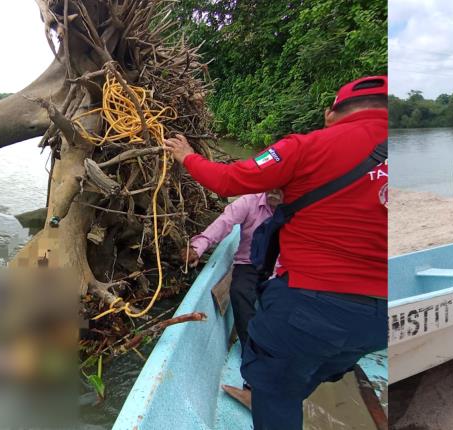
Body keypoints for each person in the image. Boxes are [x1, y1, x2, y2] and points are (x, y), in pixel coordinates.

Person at [163, 75, 387, 429]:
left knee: (272, 382)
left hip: (311, 304)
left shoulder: (306, 147)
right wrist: (200, 243)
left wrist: (187, 156)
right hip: (382, 318)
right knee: (318, 358)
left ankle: (272, 390)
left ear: (330, 113)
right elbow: (223, 223)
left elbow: (226, 181)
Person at [183, 190, 283, 346]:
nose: (275, 190)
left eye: (281, 185)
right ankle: (251, 348)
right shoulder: (249, 202)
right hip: (249, 263)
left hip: (284, 266)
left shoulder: (301, 208)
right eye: (272, 184)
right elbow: (224, 222)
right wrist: (197, 248)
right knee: (239, 292)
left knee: (288, 300)